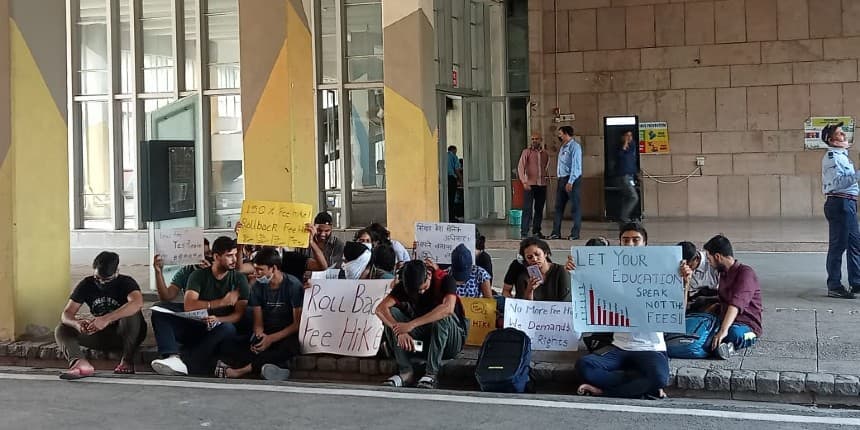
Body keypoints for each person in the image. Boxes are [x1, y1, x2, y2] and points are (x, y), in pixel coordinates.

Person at [574, 223, 692, 399]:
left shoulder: (661, 270)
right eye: (625, 240)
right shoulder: (611, 270)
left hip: (651, 348)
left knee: (660, 377)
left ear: (645, 243)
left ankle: (605, 391)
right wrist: (576, 270)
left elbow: (677, 311)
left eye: (635, 240)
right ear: (620, 243)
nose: (630, 244)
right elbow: (590, 285)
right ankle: (643, 385)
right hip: (619, 346)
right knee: (585, 366)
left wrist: (685, 282)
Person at [150, 236, 250, 376]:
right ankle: (172, 356)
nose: (234, 259)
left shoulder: (239, 278)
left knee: (227, 329)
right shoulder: (197, 275)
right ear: (216, 256)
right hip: (197, 322)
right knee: (159, 309)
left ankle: (187, 363)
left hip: (220, 326)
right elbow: (189, 306)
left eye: (235, 255)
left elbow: (238, 314)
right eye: (229, 256)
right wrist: (220, 302)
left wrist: (219, 319)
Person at [55, 252, 146, 379]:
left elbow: (137, 302)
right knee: (62, 328)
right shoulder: (87, 284)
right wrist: (76, 323)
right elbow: (67, 313)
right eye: (98, 278)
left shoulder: (126, 282)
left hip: (128, 334)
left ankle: (127, 361)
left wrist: (106, 319)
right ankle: (80, 363)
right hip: (103, 336)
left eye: (107, 279)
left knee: (131, 313)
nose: (102, 282)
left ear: (117, 272)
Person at [377, 260, 468, 389]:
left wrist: (411, 325)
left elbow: (448, 309)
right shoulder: (404, 286)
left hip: (449, 344)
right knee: (391, 314)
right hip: (423, 345)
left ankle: (431, 373)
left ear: (429, 275)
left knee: (441, 314)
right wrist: (398, 330)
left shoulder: (445, 280)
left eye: (423, 288)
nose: (421, 293)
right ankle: (405, 372)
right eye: (416, 291)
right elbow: (380, 309)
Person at [217, 248, 303, 381]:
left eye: (260, 270)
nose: (256, 274)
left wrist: (271, 339)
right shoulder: (257, 287)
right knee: (245, 344)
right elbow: (258, 322)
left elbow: (297, 324)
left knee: (289, 347)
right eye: (255, 269)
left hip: (287, 332)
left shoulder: (293, 285)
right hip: (268, 330)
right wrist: (260, 335)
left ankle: (241, 371)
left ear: (273, 268)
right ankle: (280, 370)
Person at [704, 235, 762, 359]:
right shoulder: (723, 274)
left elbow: (735, 305)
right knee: (705, 333)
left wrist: (723, 331)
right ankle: (721, 347)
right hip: (724, 320)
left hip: (746, 324)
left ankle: (730, 343)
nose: (709, 263)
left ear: (718, 257)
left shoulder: (746, 273)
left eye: (709, 259)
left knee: (733, 334)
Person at [820, 121, 860, 299]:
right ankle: (834, 285)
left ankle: (856, 282)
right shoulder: (832, 158)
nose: (844, 136)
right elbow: (838, 184)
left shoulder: (843, 156)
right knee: (838, 245)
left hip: (848, 203)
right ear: (831, 140)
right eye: (840, 134)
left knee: (854, 244)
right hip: (840, 203)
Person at [153, 238, 213, 304]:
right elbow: (167, 296)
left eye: (207, 254)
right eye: (199, 255)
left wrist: (210, 273)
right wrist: (158, 272)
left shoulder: (217, 269)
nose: (203, 258)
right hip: (192, 310)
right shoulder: (185, 271)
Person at [550, 125, 583, 240]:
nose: (559, 136)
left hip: (571, 179)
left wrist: (571, 181)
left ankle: (575, 233)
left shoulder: (575, 147)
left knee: (575, 207)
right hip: (562, 179)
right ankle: (555, 232)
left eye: (560, 133)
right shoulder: (563, 147)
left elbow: (576, 166)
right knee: (558, 207)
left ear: (566, 134)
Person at [518, 132, 550, 239]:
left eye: (537, 138)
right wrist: (524, 181)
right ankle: (524, 232)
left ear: (541, 140)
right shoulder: (526, 152)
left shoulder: (545, 154)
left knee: (539, 209)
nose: (534, 140)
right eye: (533, 139)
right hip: (530, 185)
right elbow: (521, 168)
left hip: (541, 184)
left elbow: (545, 168)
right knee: (527, 208)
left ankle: (536, 231)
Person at [678, 241, 720, 312]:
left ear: (697, 258)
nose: (687, 269)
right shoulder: (681, 267)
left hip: (713, 299)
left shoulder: (712, 262)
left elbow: (725, 295)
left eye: (690, 266)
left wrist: (706, 299)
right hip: (691, 301)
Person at [615, 130, 639, 223]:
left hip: (631, 176)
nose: (629, 138)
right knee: (633, 197)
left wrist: (636, 173)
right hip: (623, 176)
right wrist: (624, 144)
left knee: (627, 197)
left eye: (630, 135)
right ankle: (624, 217)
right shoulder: (619, 147)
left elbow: (632, 161)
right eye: (627, 135)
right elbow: (620, 156)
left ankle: (624, 217)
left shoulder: (632, 147)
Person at [447, 145, 463, 222]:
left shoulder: (443, 156)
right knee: (452, 199)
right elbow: (457, 170)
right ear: (454, 150)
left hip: (444, 179)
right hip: (451, 179)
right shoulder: (454, 157)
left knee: (446, 199)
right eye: (456, 151)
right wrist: (461, 180)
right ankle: (452, 217)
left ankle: (446, 216)